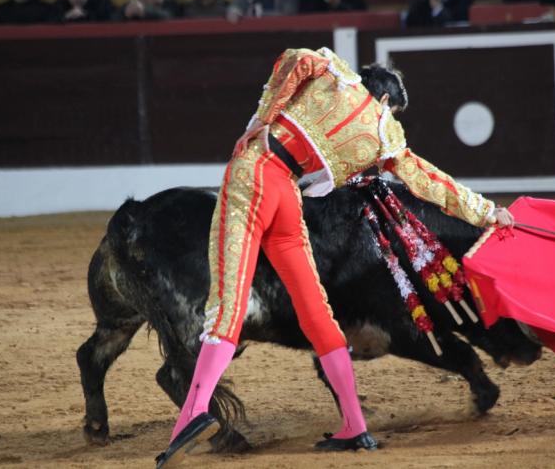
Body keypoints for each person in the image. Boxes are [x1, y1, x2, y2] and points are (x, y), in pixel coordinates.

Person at [153, 47, 514, 467]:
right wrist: (489, 211)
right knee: (316, 311)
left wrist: (262, 119)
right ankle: (355, 425)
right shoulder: (386, 135)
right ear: (384, 101)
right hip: (287, 196)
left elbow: (296, 57)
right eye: (394, 109)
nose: (392, 117)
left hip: (256, 172)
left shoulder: (337, 73)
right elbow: (432, 182)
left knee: (227, 301)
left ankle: (193, 414)